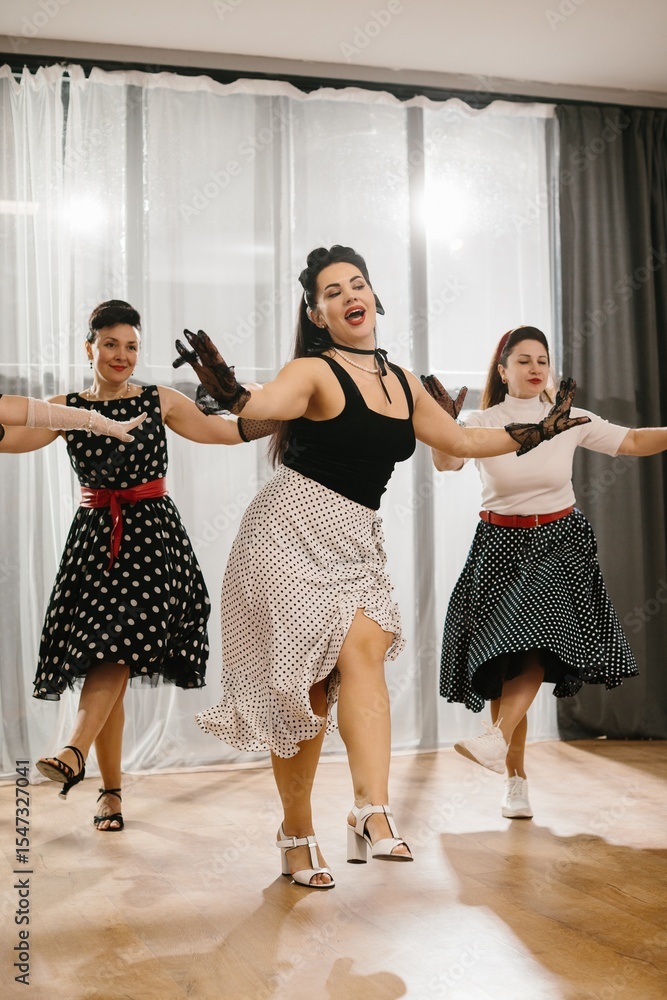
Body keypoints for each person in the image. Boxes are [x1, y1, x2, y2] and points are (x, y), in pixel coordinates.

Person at [174, 247, 587, 887]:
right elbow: (264, 403)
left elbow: (465, 441)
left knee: (365, 651)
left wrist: (538, 432)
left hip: (355, 537)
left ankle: (371, 810)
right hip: (287, 530)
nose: (348, 296)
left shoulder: (405, 383)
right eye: (332, 292)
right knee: (305, 690)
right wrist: (233, 394)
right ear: (317, 314)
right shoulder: (311, 370)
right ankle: (296, 833)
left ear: (375, 298)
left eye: (357, 285)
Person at [1, 299, 272, 831]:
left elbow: (227, 432)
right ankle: (109, 790)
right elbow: (10, 435)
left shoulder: (159, 399)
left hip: (152, 537)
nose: (122, 355)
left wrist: (279, 410)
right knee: (110, 652)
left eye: (131, 346)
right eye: (110, 344)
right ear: (90, 347)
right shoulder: (67, 408)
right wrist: (79, 418)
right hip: (95, 539)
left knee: (120, 639)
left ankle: (75, 751)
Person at [423, 325, 665, 819]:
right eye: (525, 360)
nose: (536, 369)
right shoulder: (483, 420)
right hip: (497, 543)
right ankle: (514, 776)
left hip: (558, 540)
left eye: (543, 360)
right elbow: (447, 462)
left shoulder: (569, 418)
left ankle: (496, 744)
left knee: (542, 633)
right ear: (503, 368)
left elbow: (635, 441)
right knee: (503, 663)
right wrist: (439, 425)